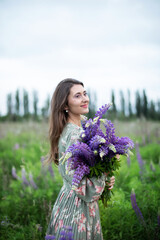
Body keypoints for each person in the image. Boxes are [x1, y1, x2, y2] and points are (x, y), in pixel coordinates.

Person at [45, 78, 115, 240]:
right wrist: (104, 178)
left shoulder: (75, 130)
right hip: (77, 212)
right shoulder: (76, 135)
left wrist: (106, 177)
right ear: (64, 105)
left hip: (67, 203)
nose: (85, 99)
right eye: (77, 96)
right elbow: (84, 188)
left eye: (85, 93)